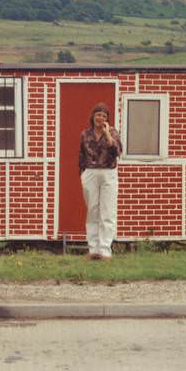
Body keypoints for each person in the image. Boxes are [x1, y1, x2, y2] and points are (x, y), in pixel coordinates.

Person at [78, 102, 122, 259]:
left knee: (107, 211)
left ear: (107, 119)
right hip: (90, 173)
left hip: (108, 173)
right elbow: (81, 156)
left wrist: (108, 134)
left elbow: (117, 151)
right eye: (98, 115)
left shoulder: (113, 133)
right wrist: (83, 174)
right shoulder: (85, 134)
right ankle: (93, 249)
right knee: (93, 211)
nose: (100, 118)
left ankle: (105, 250)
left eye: (104, 116)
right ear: (93, 116)